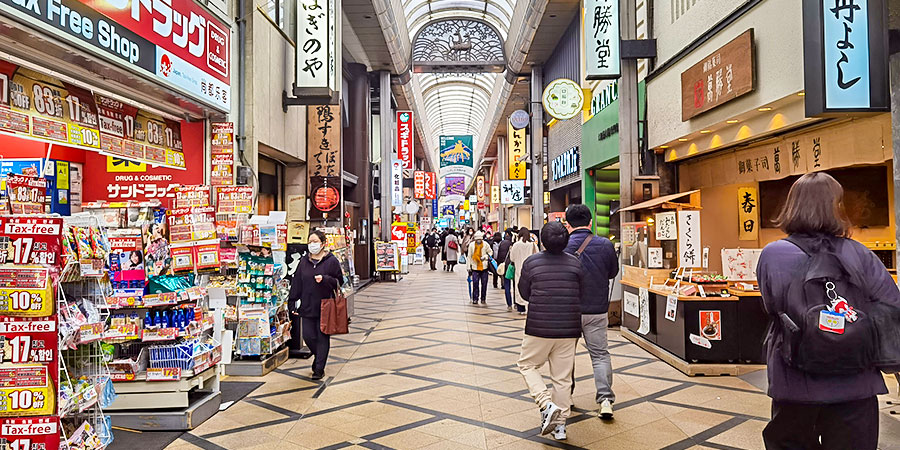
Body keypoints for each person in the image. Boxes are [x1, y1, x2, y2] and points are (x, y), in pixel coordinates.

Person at [757, 172, 900, 450]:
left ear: (792, 206)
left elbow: (772, 307)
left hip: (794, 380)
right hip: (856, 382)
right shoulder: (861, 254)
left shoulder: (773, 255)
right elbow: (891, 310)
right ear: (838, 207)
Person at [516, 222, 583, 440]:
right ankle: (561, 426)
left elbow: (524, 293)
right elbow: (582, 291)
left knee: (527, 365)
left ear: (542, 241)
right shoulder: (575, 263)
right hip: (569, 327)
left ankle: (545, 404)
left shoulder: (531, 263)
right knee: (562, 378)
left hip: (538, 326)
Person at [564, 204, 619, 419]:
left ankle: (566, 395)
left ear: (567, 224)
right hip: (596, 309)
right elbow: (612, 272)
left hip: (569, 310)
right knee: (600, 354)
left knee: (566, 355)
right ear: (591, 222)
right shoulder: (605, 245)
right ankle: (605, 400)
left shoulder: (563, 245)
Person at [288, 229, 346, 380]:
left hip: (325, 305)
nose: (312, 245)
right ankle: (318, 357)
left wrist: (326, 279)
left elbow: (339, 282)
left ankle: (319, 368)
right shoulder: (304, 261)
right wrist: (293, 301)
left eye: (315, 242)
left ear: (323, 244)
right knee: (308, 336)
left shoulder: (331, 261)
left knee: (322, 337)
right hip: (307, 305)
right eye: (310, 242)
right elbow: (297, 282)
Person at [508, 228, 539, 314]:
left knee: (519, 288)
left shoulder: (516, 245)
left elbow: (512, 258)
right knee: (530, 287)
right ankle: (529, 306)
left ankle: (521, 308)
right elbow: (537, 255)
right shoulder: (532, 245)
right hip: (531, 269)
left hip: (519, 269)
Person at [466, 231, 493, 304]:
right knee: (475, 284)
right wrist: (468, 267)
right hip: (475, 267)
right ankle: (475, 298)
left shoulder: (485, 244)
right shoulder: (471, 245)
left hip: (484, 267)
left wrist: (485, 257)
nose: (478, 241)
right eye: (477, 239)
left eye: (480, 239)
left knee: (484, 284)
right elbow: (469, 257)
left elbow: (490, 252)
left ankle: (483, 298)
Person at [496, 230, 514, 310]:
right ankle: (517, 303)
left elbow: (498, 255)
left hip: (504, 265)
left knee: (507, 285)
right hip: (512, 266)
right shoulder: (513, 244)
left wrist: (499, 264)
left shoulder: (501, 243)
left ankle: (509, 304)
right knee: (515, 285)